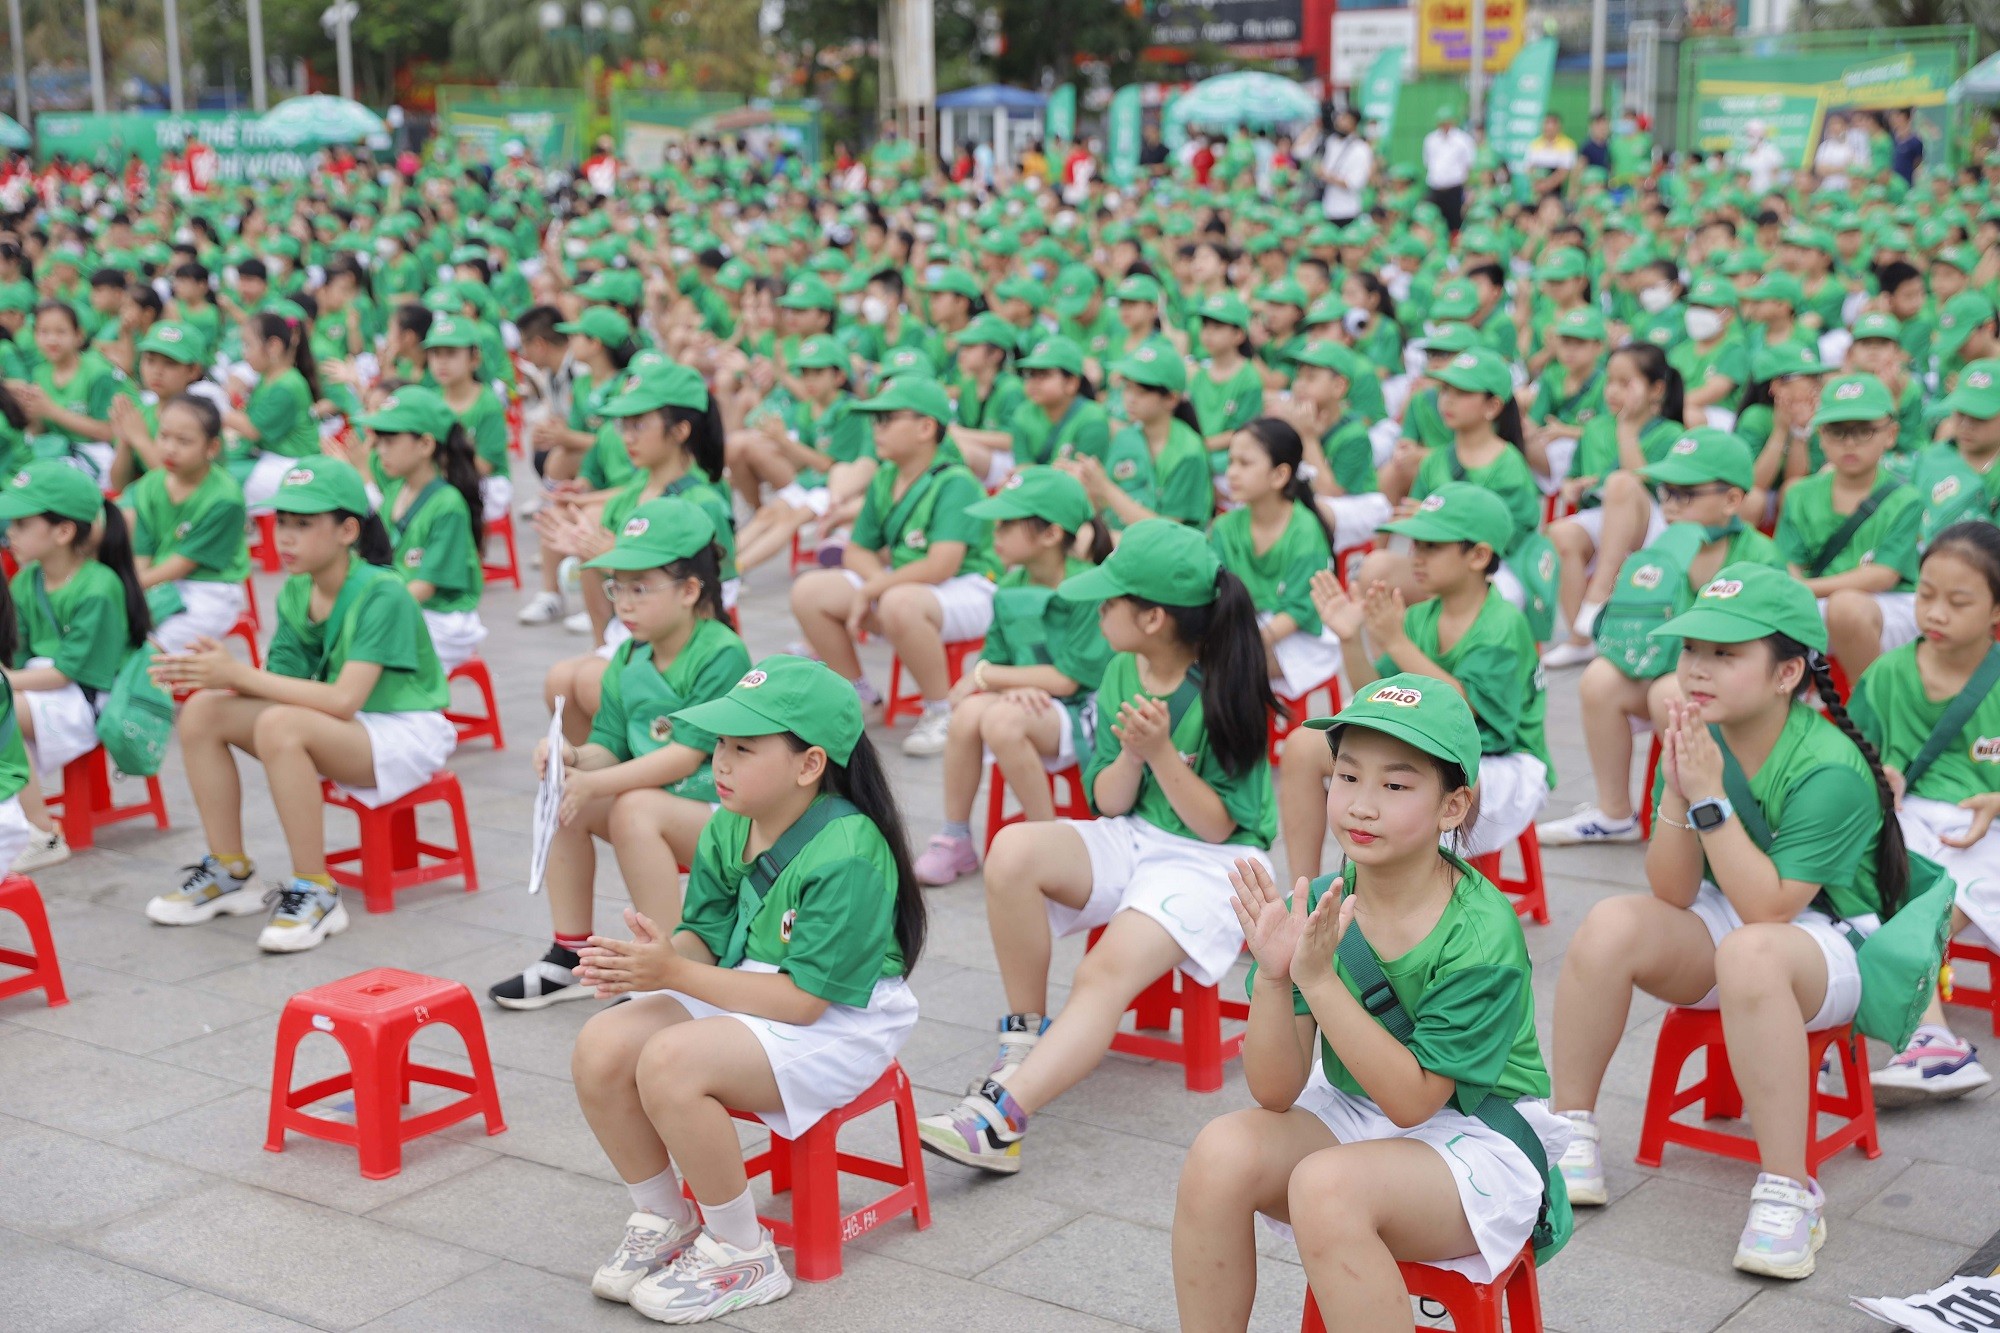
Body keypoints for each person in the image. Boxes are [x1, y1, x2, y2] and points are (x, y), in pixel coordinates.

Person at [1173, 675, 1569, 1331]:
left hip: (1477, 1131)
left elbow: (1416, 1099)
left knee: (1326, 1188)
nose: (1360, 803)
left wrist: (1320, 979)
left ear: (1453, 805)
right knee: (1220, 1152)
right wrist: (1277, 978)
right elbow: (1274, 1090)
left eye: (1395, 785)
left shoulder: (1481, 932)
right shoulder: (1328, 899)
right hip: (1362, 1109)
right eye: (1347, 777)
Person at [1551, 562, 1907, 1279]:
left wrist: (1707, 794)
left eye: (1725, 653)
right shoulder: (1695, 733)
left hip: (1831, 934)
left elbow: (1772, 908)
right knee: (1608, 924)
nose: (1697, 669)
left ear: (1786, 674)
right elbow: (1673, 890)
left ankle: (1788, 1190)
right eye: (1691, 651)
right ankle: (1569, 1135)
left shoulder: (1827, 765)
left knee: (1751, 953)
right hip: (1742, 914)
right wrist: (1683, 792)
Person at [567, 654, 925, 1321]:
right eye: (720, 744)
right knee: (602, 1043)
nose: (719, 762)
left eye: (742, 747)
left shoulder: (848, 849)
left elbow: (804, 1002)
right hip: (753, 986)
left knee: (671, 1061)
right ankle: (665, 1216)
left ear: (809, 764)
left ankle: (742, 1251)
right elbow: (703, 931)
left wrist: (673, 973)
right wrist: (651, 961)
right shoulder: (730, 820)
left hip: (842, 1018)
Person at [915, 520, 1276, 1174]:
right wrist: (1137, 755)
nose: (1097, 608)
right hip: (1134, 833)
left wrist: (1163, 751)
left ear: (1154, 618)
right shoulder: (1120, 668)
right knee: (1013, 851)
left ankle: (997, 1120)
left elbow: (1219, 825)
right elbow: (1110, 799)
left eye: (1111, 601)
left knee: (1100, 974)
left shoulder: (1225, 683)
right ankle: (1025, 1035)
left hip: (1213, 861)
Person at [146, 457, 455, 954]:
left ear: (347, 530)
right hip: (347, 726)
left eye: (303, 524)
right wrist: (212, 674)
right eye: (282, 523)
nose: (285, 537)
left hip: (403, 731)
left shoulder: (385, 592)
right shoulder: (297, 590)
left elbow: (342, 698)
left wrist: (238, 673)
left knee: (280, 726)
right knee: (204, 709)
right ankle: (231, 871)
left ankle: (317, 889)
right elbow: (281, 682)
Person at [492, 497, 750, 1010]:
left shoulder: (720, 651)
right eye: (616, 587)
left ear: (690, 589)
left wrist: (598, 781)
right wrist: (572, 759)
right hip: (661, 805)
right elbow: (609, 743)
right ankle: (569, 953)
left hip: (727, 819)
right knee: (568, 794)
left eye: (639, 588)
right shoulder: (630, 654)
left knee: (632, 807)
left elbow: (683, 756)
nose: (623, 603)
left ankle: (670, 969)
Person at [1849, 522, 2000, 1101]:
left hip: (1983, 828)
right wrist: (1876, 778)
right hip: (1909, 819)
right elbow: (1854, 753)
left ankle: (1927, 1037)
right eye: (1926, 595)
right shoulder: (1888, 673)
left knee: (1922, 900)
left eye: (1958, 602)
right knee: (1890, 882)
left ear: (1995, 609)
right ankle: (1934, 1040)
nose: (1935, 613)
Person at [912, 468, 1111, 885]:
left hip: (1087, 710)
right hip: (1032, 700)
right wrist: (1009, 683)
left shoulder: (1088, 587)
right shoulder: (1010, 585)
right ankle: (956, 837)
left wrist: (988, 676)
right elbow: (999, 657)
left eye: (1007, 524)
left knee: (1000, 720)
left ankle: (1049, 844)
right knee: (968, 714)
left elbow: (1068, 681)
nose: (995, 533)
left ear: (1051, 534)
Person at [788, 377, 998, 757]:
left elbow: (942, 564)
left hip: (969, 585)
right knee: (810, 591)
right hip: (907, 583)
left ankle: (942, 710)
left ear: (925, 427)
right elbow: (857, 551)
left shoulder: (957, 481)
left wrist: (873, 589)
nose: (876, 429)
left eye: (886, 419)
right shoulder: (886, 476)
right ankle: (856, 695)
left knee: (898, 602)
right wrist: (874, 582)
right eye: (875, 420)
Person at [0, 460, 152, 873]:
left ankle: (43, 832)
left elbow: (69, 672)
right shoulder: (26, 580)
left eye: (21, 522)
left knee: (3, 708)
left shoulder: (100, 585)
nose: (9, 531)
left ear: (63, 531)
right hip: (42, 686)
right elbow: (17, 652)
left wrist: (7, 681)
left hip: (87, 697)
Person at [1776, 374, 1922, 681]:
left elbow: (1884, 575)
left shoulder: (1905, 497)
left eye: (1864, 431)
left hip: (1889, 604)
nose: (1850, 442)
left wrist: (1805, 589)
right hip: (1820, 600)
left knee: (1845, 608)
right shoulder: (1800, 493)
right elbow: (1789, 562)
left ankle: (1869, 714)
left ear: (1891, 434)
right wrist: (1799, 588)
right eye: (1837, 432)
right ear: (1820, 435)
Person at [355, 388, 490, 673]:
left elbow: (425, 587)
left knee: (362, 655)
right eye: (379, 441)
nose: (380, 451)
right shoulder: (395, 490)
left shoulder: (448, 504)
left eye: (390, 440)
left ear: (426, 444)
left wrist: (369, 607)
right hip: (403, 603)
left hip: (441, 619)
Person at [124, 394, 251, 654]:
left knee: (148, 651)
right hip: (159, 582)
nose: (169, 448)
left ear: (212, 448)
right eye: (164, 436)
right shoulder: (151, 485)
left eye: (184, 441)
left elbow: (182, 565)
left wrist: (131, 586)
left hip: (209, 590)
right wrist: (131, 588)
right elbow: (143, 553)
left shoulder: (224, 498)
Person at [1422, 107, 1476, 233]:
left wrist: (1468, 189)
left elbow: (1468, 165)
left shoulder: (1463, 140)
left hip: (1454, 188)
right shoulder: (1431, 140)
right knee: (1432, 221)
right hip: (1435, 187)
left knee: (1455, 223)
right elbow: (1428, 162)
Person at [1319, 107, 1372, 226]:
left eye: (1344, 118)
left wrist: (1326, 176)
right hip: (1327, 208)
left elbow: (1355, 183)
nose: (1339, 121)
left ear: (1354, 122)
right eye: (1339, 117)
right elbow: (1299, 151)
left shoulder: (1361, 149)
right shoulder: (1331, 142)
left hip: (1348, 211)